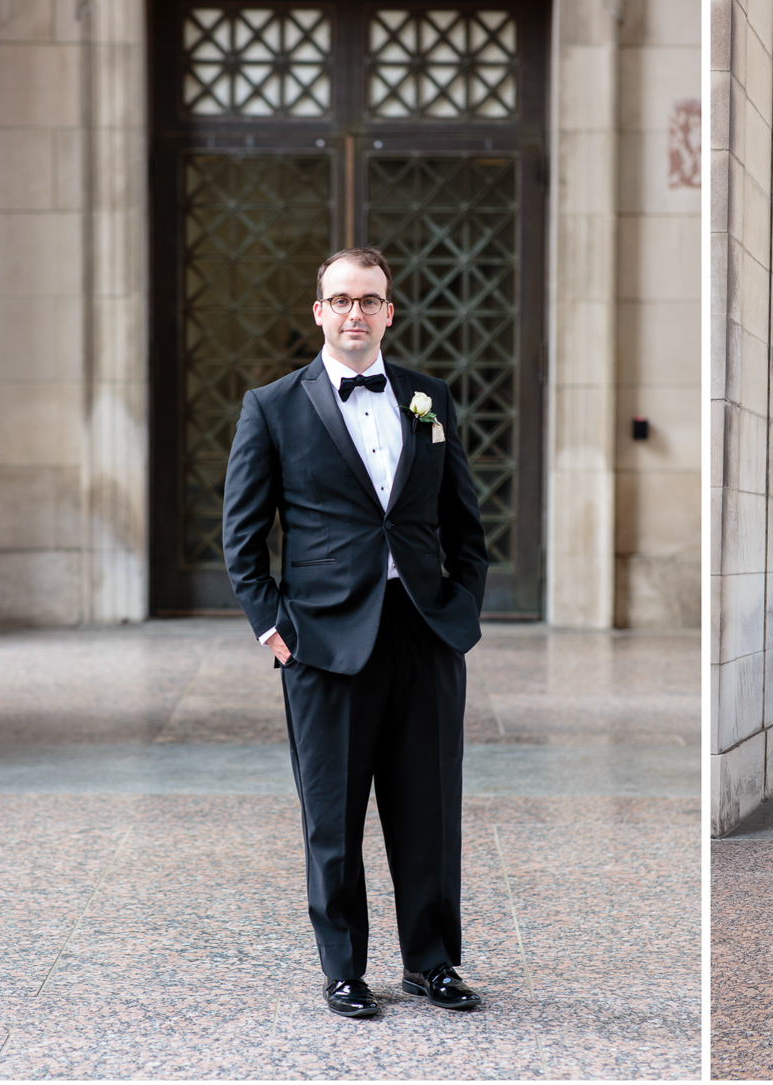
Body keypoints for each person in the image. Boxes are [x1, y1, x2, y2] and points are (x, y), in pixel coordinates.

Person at [222, 246, 488, 1019]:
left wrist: (460, 609)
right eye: (341, 300)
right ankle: (344, 967)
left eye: (369, 300)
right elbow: (242, 539)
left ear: (389, 312)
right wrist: (275, 627)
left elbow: (465, 525)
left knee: (430, 811)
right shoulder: (271, 406)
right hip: (325, 643)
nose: (355, 314)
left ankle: (431, 962)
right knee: (332, 819)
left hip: (424, 635)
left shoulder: (428, 397)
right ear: (318, 312)